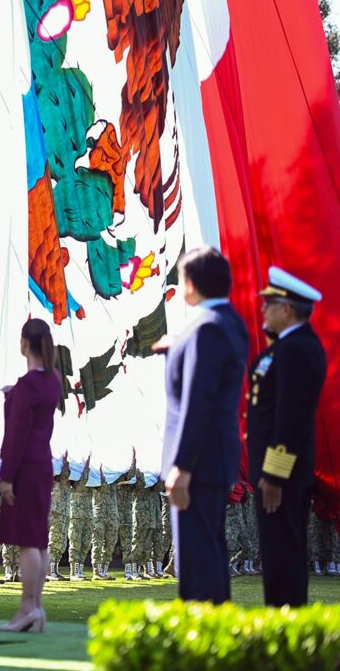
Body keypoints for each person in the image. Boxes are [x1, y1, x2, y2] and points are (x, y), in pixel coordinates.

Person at [160, 247, 249, 604]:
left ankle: (202, 642)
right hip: (214, 457)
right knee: (209, 549)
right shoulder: (228, 322)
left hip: (197, 461)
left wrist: (182, 465)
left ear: (191, 284)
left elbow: (198, 401)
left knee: (196, 558)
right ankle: (215, 637)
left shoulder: (205, 328)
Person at [246, 266, 326, 607]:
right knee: (276, 551)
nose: (263, 310)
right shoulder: (284, 348)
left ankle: (286, 626)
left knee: (284, 551)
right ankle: (279, 620)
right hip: (273, 471)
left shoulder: (296, 349)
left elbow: (290, 417)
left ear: (286, 309)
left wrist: (275, 474)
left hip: (282, 474)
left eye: (269, 304)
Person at [0, 318, 62, 633]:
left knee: (27, 542)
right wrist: (15, 396)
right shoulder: (52, 380)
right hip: (42, 464)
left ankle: (27, 608)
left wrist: (6, 475)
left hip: (25, 467)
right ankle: (36, 607)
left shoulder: (29, 385)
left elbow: (17, 434)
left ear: (24, 344)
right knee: (38, 540)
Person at [67, 457, 92, 581]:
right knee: (75, 543)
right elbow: (82, 483)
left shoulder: (90, 475)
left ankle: (80, 570)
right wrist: (87, 464)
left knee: (86, 543)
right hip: (77, 513)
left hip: (88, 513)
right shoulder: (75, 477)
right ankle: (74, 572)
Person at [46, 454, 71, 581]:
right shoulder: (55, 476)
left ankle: (54, 569)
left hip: (64, 511)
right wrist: (66, 461)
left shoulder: (66, 480)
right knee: (55, 540)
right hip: (56, 510)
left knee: (61, 542)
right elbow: (64, 475)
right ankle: (50, 571)